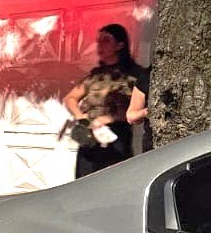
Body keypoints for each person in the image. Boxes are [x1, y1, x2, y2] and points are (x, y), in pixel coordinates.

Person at [64, 23, 150, 177]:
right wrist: (80, 116)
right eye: (98, 41)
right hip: (90, 136)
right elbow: (70, 98)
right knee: (84, 182)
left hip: (116, 137)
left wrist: (109, 119)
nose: (100, 45)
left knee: (113, 181)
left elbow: (140, 109)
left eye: (106, 40)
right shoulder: (96, 75)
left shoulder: (135, 74)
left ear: (120, 45)